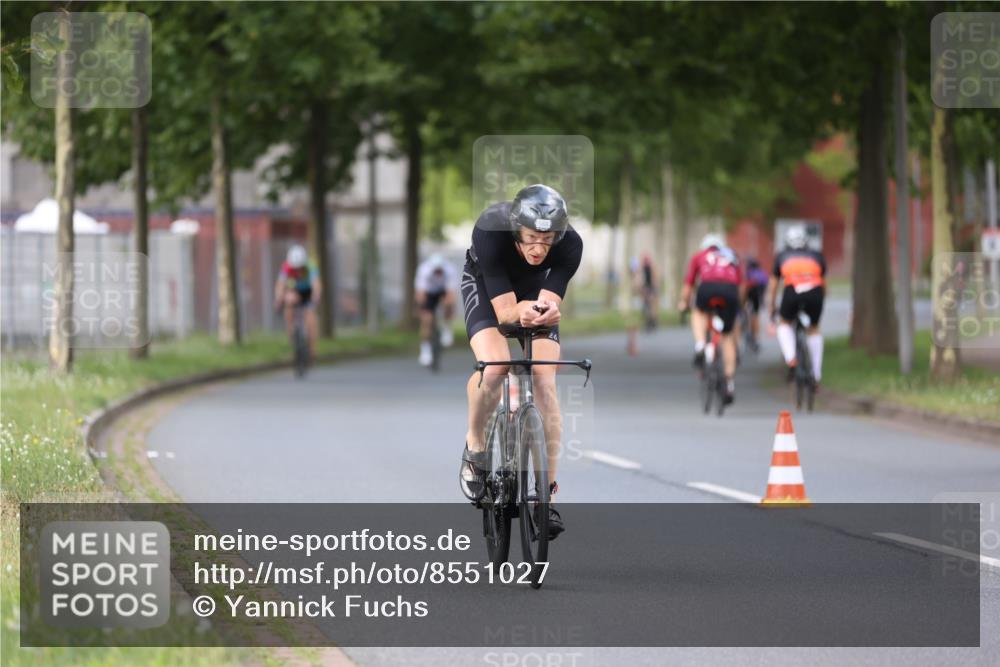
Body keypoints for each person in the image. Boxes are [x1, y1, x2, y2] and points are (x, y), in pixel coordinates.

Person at [459, 184, 583, 540]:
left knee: (544, 380)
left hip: (532, 290)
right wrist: (522, 312)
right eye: (531, 238)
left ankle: (546, 497)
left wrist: (547, 311)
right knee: (496, 365)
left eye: (547, 240)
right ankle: (475, 441)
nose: (539, 248)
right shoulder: (491, 231)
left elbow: (548, 299)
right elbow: (505, 314)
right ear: (517, 231)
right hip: (487, 288)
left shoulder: (570, 244)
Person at [677, 233, 744, 405]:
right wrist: (739, 305)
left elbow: (688, 285)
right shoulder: (732, 256)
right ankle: (729, 384)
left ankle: (700, 345)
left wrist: (684, 303)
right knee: (727, 337)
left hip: (707, 288)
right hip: (730, 291)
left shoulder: (699, 256)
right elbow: (741, 284)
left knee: (698, 312)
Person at [766, 225, 826, 386]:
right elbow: (824, 283)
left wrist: (772, 306)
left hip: (792, 291)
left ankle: (791, 357)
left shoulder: (782, 256)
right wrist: (821, 300)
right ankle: (816, 375)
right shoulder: (817, 255)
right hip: (815, 291)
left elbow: (773, 285)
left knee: (784, 323)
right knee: (814, 329)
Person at [274, 244, 321, 359]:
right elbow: (280, 284)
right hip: (294, 291)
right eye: (295, 268)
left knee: (311, 318)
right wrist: (278, 299)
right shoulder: (286, 267)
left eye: (300, 267)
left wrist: (316, 297)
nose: (298, 270)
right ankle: (292, 333)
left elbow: (316, 284)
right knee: (288, 301)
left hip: (308, 292)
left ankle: (312, 349)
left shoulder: (311, 266)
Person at [414, 253, 458, 366]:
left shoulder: (450, 270)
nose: (438, 273)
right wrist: (422, 309)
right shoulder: (423, 270)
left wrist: (448, 306)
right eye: (435, 271)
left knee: (449, 304)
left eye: (440, 271)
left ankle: (446, 328)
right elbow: (420, 294)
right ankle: (425, 350)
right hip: (428, 292)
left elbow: (451, 293)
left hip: (443, 290)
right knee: (426, 320)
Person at [744, 257, 770, 349]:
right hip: (759, 296)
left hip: (750, 295)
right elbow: (766, 286)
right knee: (755, 315)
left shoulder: (748, 273)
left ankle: (750, 330)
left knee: (747, 313)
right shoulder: (762, 273)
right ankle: (756, 336)